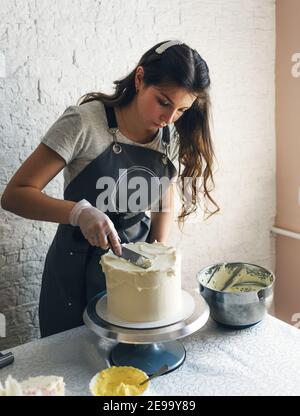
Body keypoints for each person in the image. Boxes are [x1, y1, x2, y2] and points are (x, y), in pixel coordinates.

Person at [1, 40, 219, 337]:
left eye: (181, 110)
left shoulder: (168, 133)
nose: (168, 119)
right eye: (163, 102)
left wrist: (155, 252)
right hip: (75, 264)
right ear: (140, 78)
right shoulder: (83, 122)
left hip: (133, 259)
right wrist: (79, 212)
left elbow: (164, 192)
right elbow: (15, 195)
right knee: (76, 361)